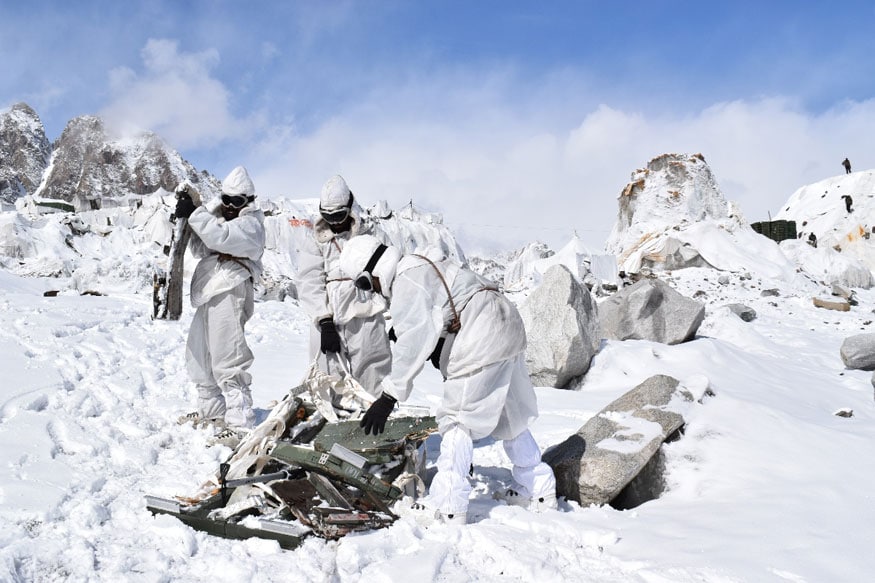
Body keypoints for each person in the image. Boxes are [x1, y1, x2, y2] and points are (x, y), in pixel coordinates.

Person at [338, 234, 556, 525]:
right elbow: (439, 309)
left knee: (456, 419)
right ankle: (537, 488)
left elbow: (415, 340)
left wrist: (389, 397)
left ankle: (447, 505)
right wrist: (406, 330)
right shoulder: (418, 263)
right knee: (510, 413)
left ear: (371, 274)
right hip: (506, 323)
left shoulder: (406, 281)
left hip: (482, 333)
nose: (373, 291)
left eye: (367, 285)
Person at [175, 166, 266, 437]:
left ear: (247, 202)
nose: (228, 206)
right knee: (199, 352)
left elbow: (220, 237)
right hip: (212, 288)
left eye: (235, 201)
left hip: (232, 287)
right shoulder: (221, 221)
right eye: (225, 199)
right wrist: (188, 219)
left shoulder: (251, 225)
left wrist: (196, 212)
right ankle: (212, 411)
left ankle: (240, 422)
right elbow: (202, 246)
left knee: (228, 354)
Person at [295, 175, 392, 400]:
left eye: (339, 216)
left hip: (366, 311)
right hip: (329, 318)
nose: (335, 222)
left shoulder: (371, 235)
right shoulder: (315, 241)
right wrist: (324, 319)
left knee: (373, 368)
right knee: (328, 373)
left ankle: (373, 415)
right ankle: (335, 417)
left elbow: (387, 273)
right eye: (328, 217)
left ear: (350, 210)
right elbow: (309, 281)